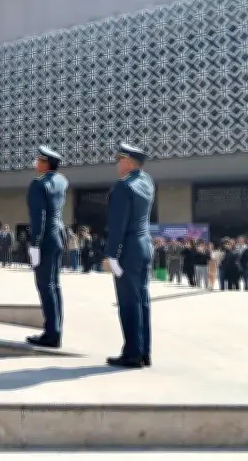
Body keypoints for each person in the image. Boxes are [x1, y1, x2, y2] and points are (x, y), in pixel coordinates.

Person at [103, 143, 155, 369]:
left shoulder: (123, 187)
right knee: (142, 301)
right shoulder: (147, 181)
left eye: (119, 159)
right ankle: (144, 352)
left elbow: (118, 226)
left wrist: (112, 255)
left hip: (129, 250)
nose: (117, 163)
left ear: (128, 162)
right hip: (144, 246)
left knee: (128, 303)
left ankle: (132, 354)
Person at [26, 146, 68, 349]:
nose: (35, 163)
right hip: (58, 235)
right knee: (55, 285)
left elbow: (39, 218)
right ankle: (56, 328)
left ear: (44, 163)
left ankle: (51, 333)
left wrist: (34, 244)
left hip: (45, 240)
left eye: (38, 160)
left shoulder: (38, 184)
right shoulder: (62, 181)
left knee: (45, 285)